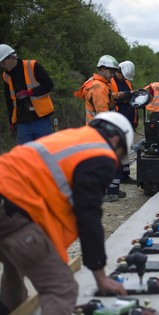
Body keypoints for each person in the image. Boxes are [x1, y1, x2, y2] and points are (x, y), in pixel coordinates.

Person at [0, 112, 131, 314]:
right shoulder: (100, 153)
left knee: (15, 266)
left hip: (8, 203)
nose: (115, 162)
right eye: (119, 153)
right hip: (10, 205)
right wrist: (100, 276)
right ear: (115, 139)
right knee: (60, 288)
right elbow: (88, 215)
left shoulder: (73, 139)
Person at [74, 55, 133, 202]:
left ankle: (109, 190)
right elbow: (103, 114)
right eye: (111, 71)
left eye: (114, 72)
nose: (113, 75)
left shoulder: (97, 84)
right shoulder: (99, 87)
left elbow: (109, 98)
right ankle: (111, 192)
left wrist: (125, 94)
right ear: (102, 69)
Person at [1, 44, 55, 144]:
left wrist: (31, 93)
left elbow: (49, 85)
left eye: (3, 62)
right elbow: (9, 101)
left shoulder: (32, 66)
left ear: (12, 57)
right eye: (1, 64)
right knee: (25, 155)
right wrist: (11, 122)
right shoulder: (6, 76)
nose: (2, 66)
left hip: (40, 118)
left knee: (46, 150)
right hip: (22, 122)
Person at [111, 60, 137, 183]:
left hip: (128, 118)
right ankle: (118, 177)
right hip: (117, 119)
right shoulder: (111, 81)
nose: (124, 79)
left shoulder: (126, 81)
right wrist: (126, 95)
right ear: (118, 70)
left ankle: (125, 175)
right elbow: (110, 97)